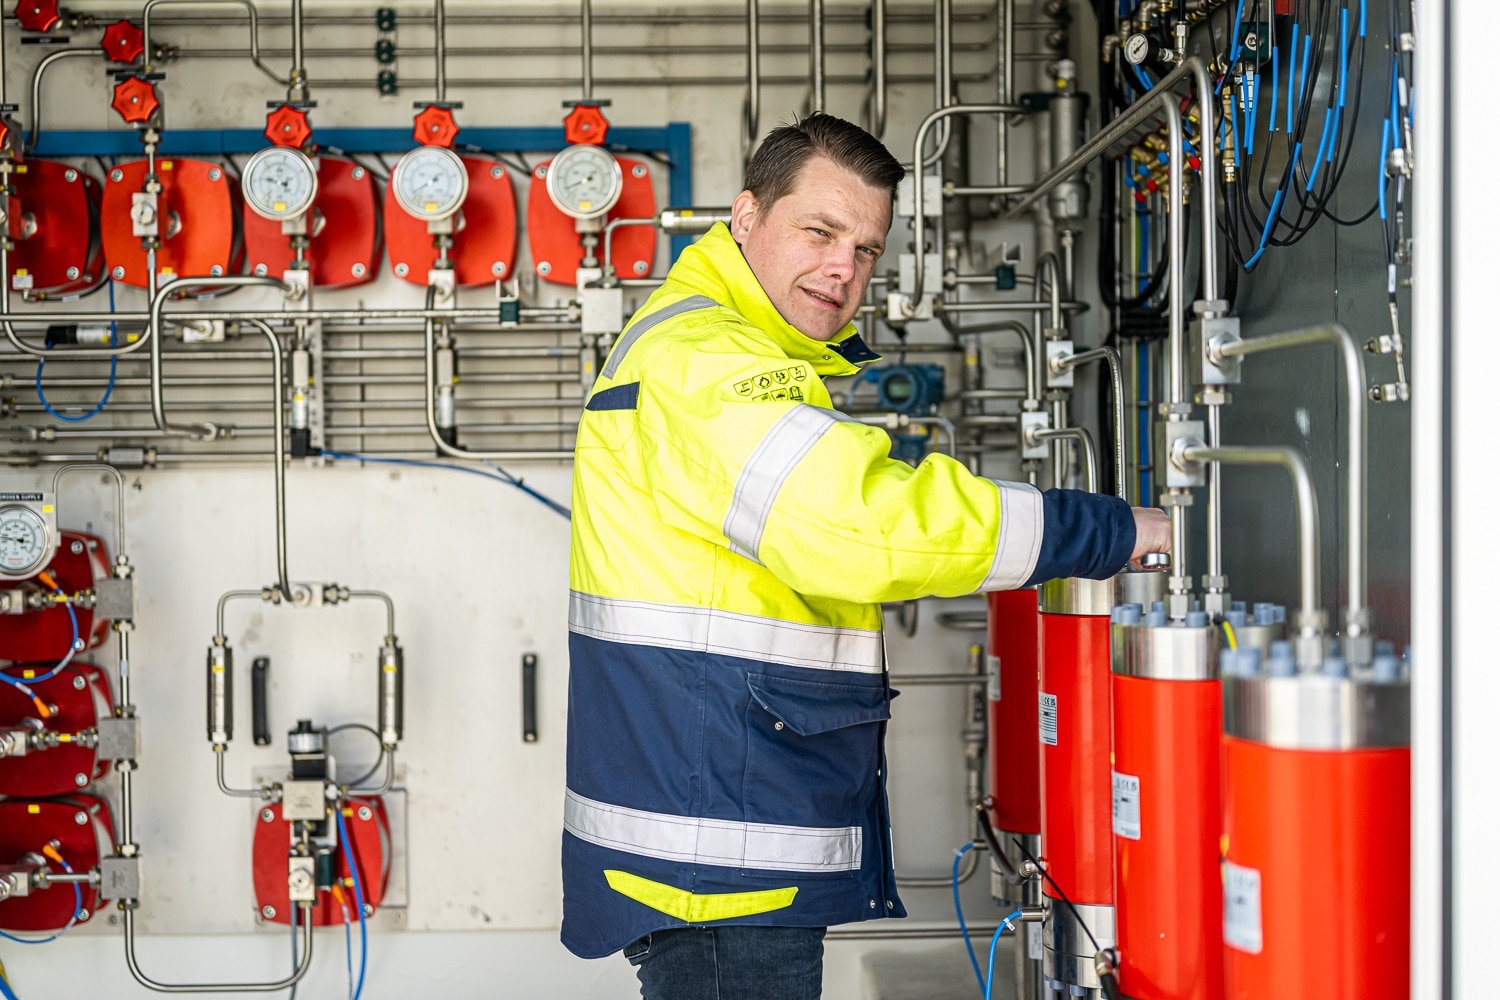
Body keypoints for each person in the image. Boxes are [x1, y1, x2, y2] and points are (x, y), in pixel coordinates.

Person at [562, 112, 1170, 999]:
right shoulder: (704, 361)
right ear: (744, 218)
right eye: (819, 230)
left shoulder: (715, 347)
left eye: (867, 248)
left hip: (717, 822)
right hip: (719, 853)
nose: (844, 268)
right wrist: (1108, 532)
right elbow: (862, 526)